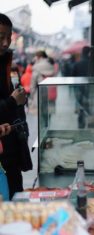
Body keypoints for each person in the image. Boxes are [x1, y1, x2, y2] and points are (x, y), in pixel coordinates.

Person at [0, 13, 32, 199]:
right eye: (0, 37)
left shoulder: (7, 63)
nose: (5, 43)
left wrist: (19, 99)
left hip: (11, 146)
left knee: (16, 198)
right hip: (2, 153)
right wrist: (13, 101)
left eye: (8, 38)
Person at [71, 46, 94, 128]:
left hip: (79, 90)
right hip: (91, 91)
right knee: (91, 109)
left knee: (81, 109)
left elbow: (72, 78)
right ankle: (91, 127)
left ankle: (81, 126)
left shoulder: (77, 64)